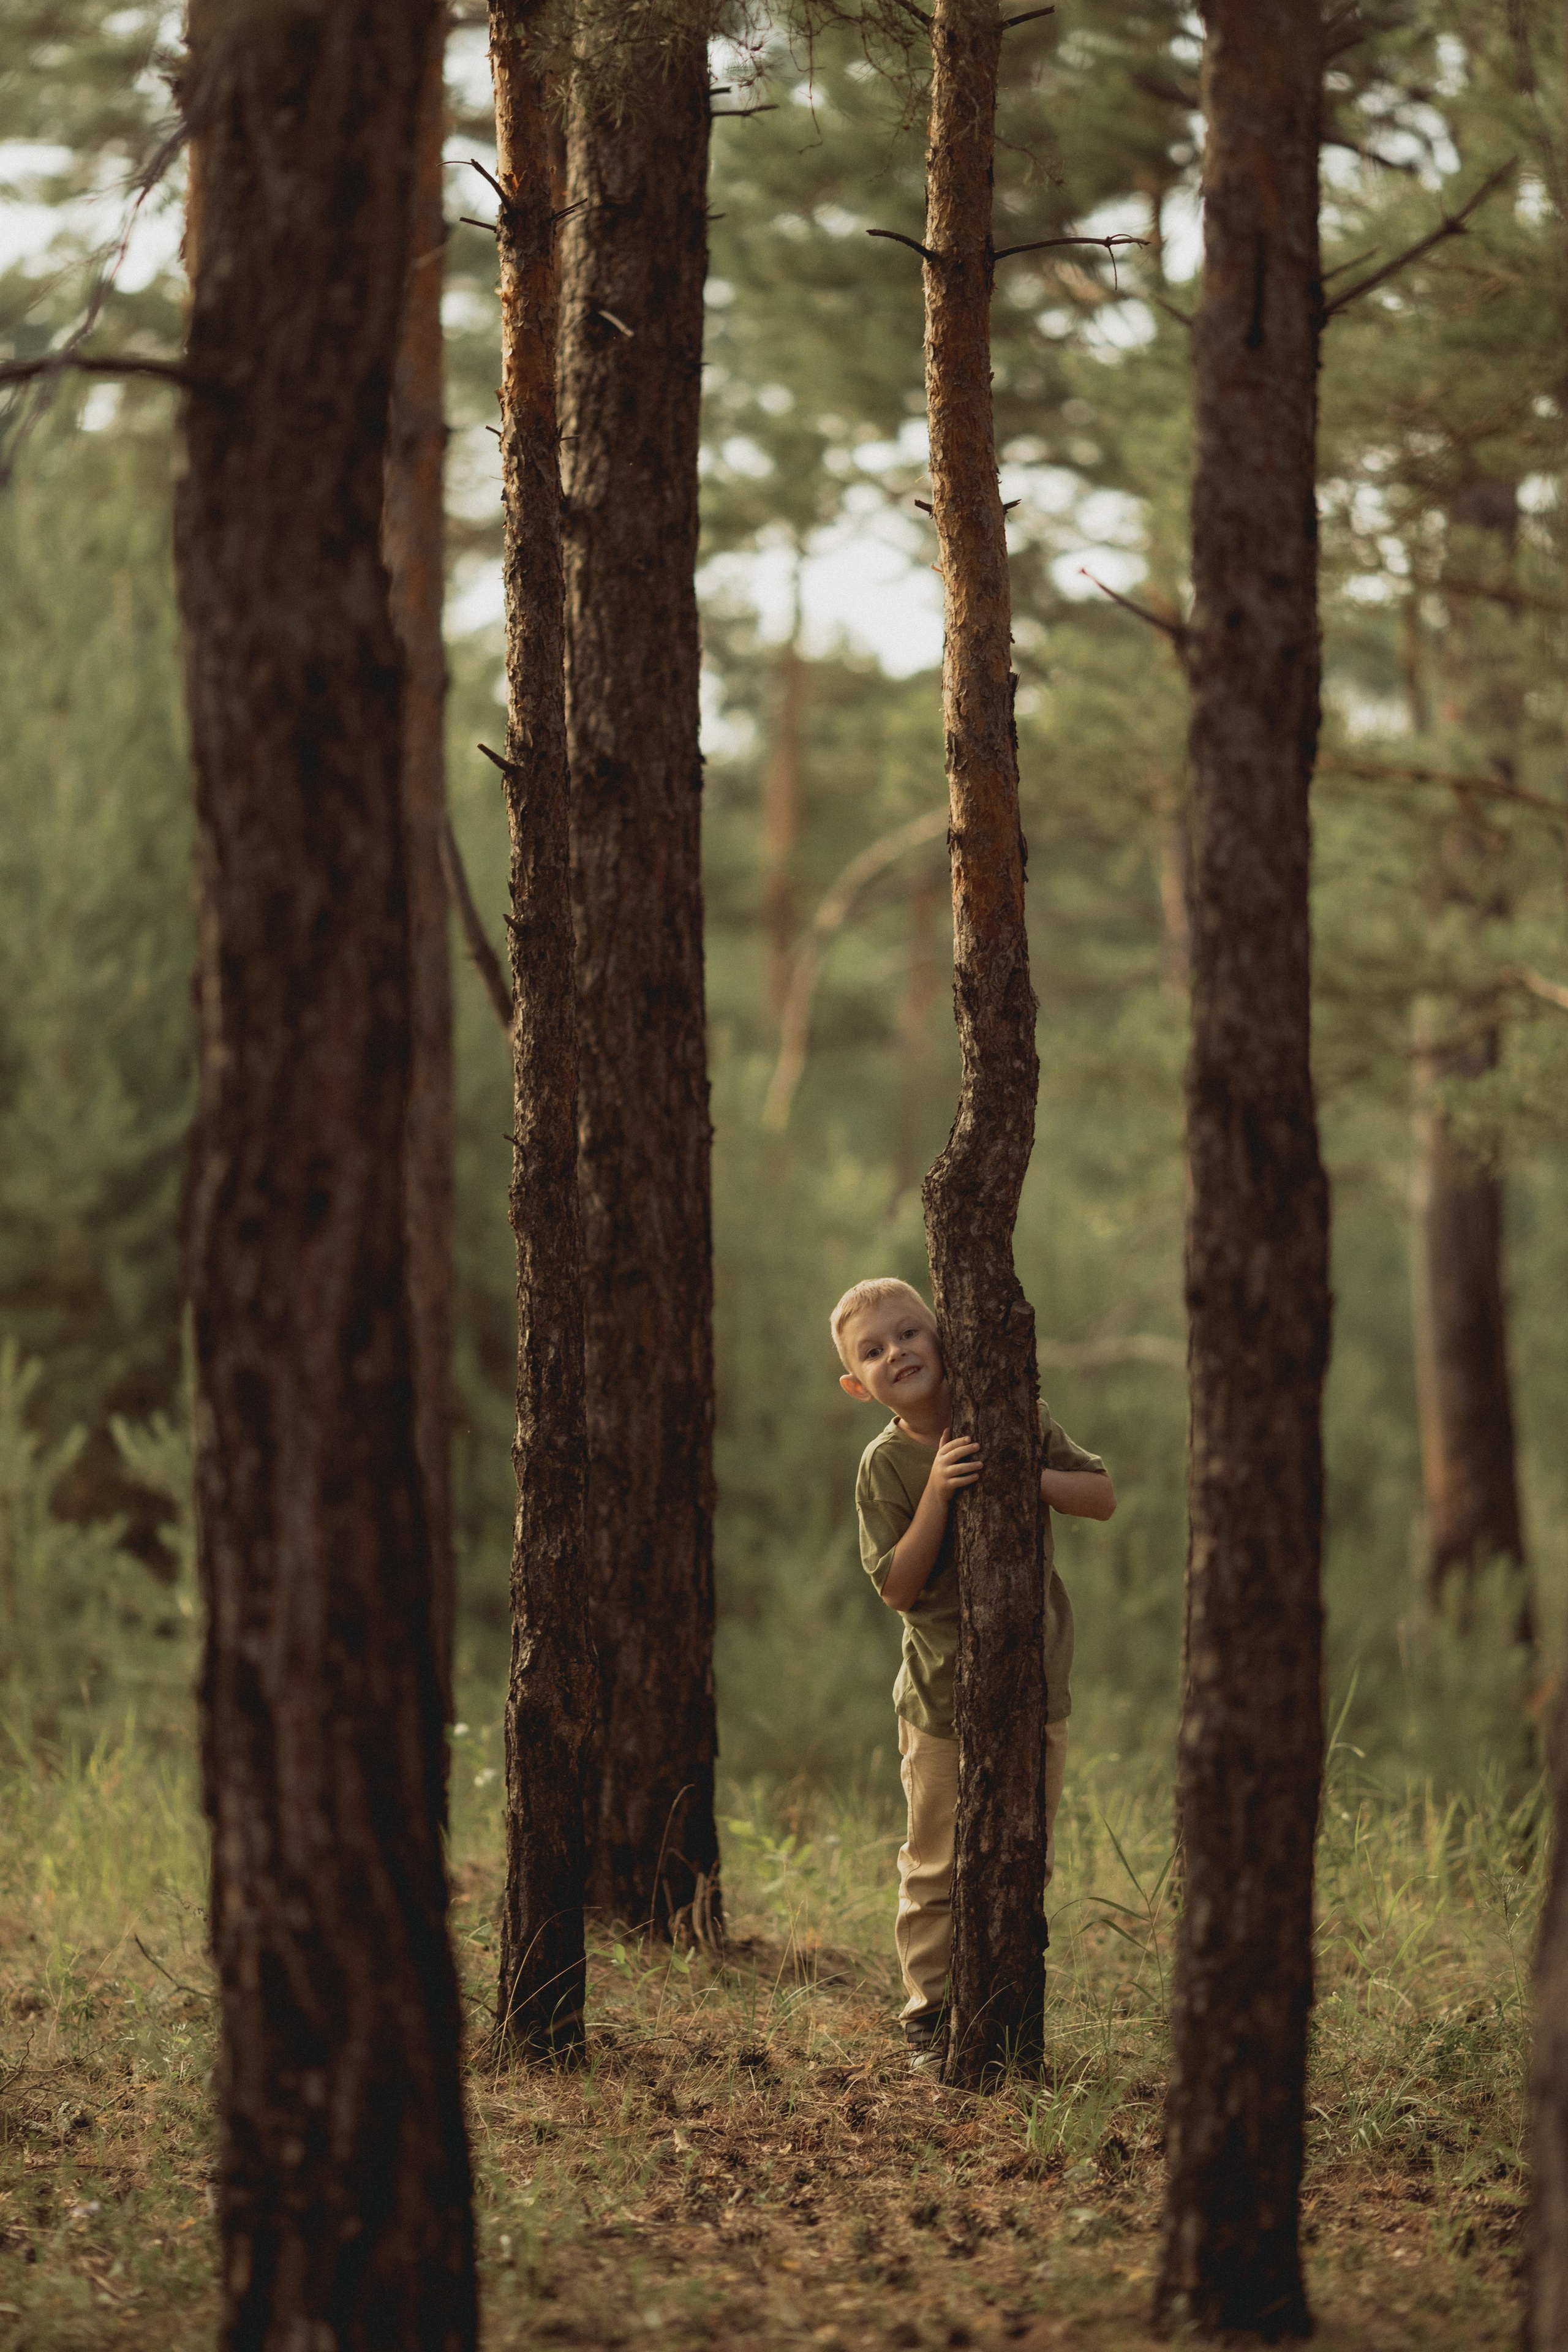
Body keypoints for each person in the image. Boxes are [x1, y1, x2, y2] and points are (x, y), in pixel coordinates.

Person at [831, 1275, 1116, 2071]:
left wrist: (1026, 1475)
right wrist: (940, 1494)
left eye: (910, 1334)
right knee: (936, 1859)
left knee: (1024, 1846)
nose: (899, 1354)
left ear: (944, 1335)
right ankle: (930, 2012)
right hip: (939, 1697)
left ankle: (1011, 1999)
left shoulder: (1015, 1417)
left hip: (1033, 1681)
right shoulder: (885, 1466)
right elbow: (896, 1587)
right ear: (859, 1385)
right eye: (875, 1352)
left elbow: (1101, 1495)